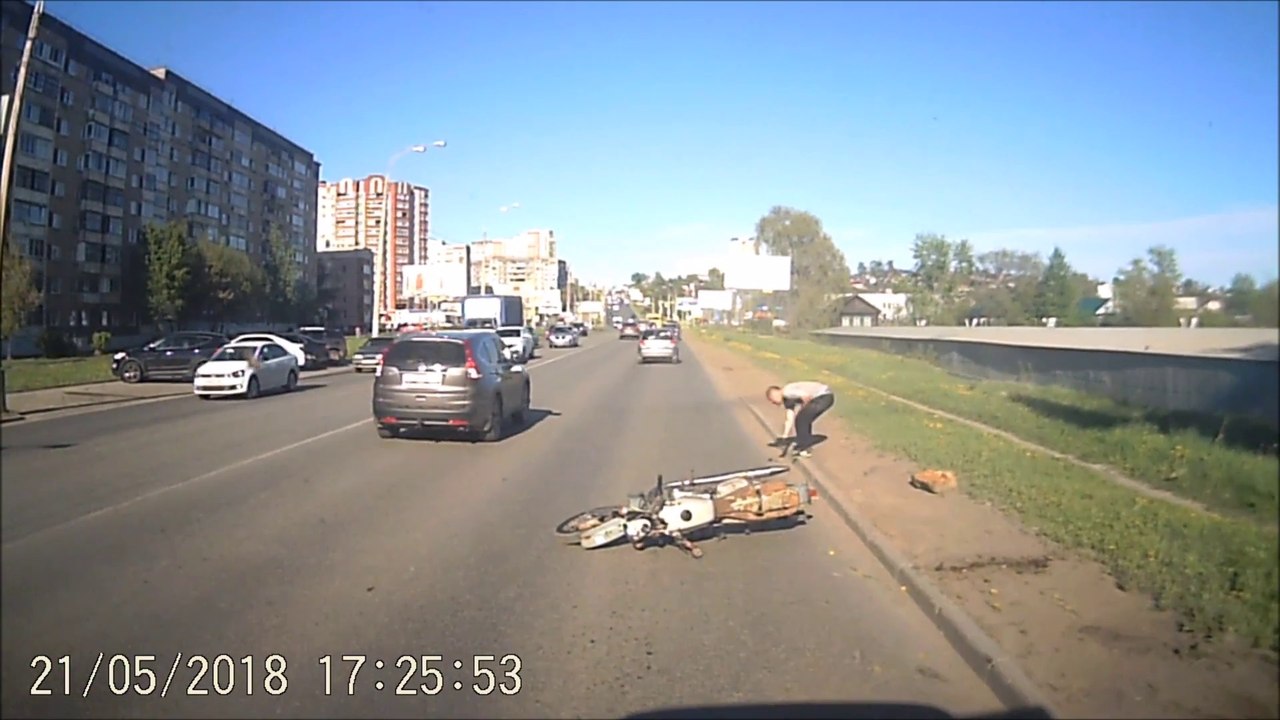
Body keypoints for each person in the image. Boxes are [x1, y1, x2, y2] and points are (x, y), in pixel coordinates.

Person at [765, 381, 836, 458]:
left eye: (772, 400)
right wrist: (785, 435)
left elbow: (806, 396)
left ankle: (804, 448)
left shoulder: (787, 392)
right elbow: (789, 418)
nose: (773, 403)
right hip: (823, 397)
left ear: (775, 394)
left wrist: (803, 408)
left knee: (802, 420)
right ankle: (803, 444)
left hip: (824, 396)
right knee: (802, 419)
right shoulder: (787, 399)